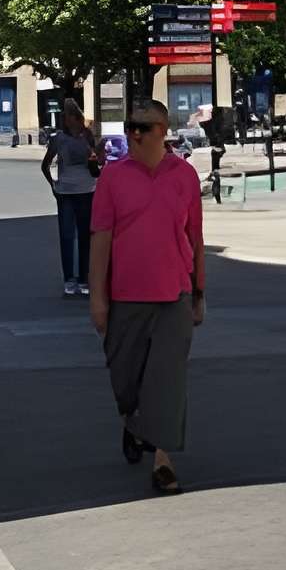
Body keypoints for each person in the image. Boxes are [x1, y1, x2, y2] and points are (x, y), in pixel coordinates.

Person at [88, 99, 204, 495]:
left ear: (163, 131)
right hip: (125, 296)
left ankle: (163, 460)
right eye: (130, 126)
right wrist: (97, 299)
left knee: (166, 381)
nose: (134, 133)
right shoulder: (112, 177)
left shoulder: (184, 176)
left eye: (144, 127)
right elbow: (100, 238)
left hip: (174, 294)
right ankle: (132, 422)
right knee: (126, 380)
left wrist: (199, 292)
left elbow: (195, 238)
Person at [41, 98, 102, 298]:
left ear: (76, 118)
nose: (66, 120)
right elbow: (46, 164)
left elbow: (96, 167)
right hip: (66, 193)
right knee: (67, 237)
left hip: (86, 191)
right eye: (64, 117)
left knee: (85, 237)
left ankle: (84, 279)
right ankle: (69, 279)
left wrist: (95, 157)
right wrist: (54, 185)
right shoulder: (58, 138)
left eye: (68, 116)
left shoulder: (87, 136)